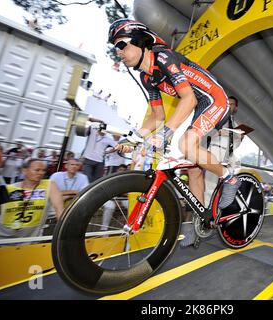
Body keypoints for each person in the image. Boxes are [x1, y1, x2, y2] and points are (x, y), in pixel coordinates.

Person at [109, 19, 241, 247]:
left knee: (186, 145)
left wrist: (166, 133)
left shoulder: (163, 57)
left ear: (141, 42)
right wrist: (134, 138)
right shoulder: (146, 76)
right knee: (193, 172)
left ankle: (229, 178)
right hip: (198, 104)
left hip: (214, 99)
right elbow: (157, 116)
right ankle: (201, 224)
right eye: (115, 47)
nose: (118, 52)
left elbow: (188, 99)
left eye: (122, 45)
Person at [0, 159, 64, 243]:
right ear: (24, 170)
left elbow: (59, 209)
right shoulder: (9, 189)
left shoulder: (49, 185)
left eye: (43, 170)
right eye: (37, 170)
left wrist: (63, 232)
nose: (41, 173)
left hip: (28, 241)